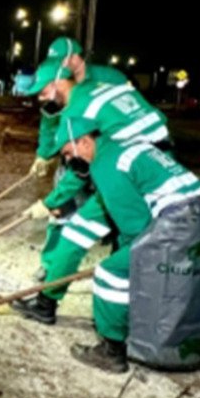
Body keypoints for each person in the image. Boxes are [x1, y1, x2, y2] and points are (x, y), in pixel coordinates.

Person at [54, 111, 200, 376]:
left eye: (69, 153)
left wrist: (128, 260)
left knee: (110, 272)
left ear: (84, 141)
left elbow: (136, 229)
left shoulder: (105, 163)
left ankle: (111, 351)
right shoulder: (129, 147)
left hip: (179, 223)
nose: (70, 161)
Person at [15, 38, 158, 323]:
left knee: (125, 254)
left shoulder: (77, 112)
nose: (41, 99)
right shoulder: (96, 93)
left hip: (135, 179)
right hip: (134, 168)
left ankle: (121, 328)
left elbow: (79, 170)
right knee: (74, 236)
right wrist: (44, 155)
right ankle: (46, 303)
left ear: (60, 80)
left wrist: (50, 202)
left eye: (43, 92)